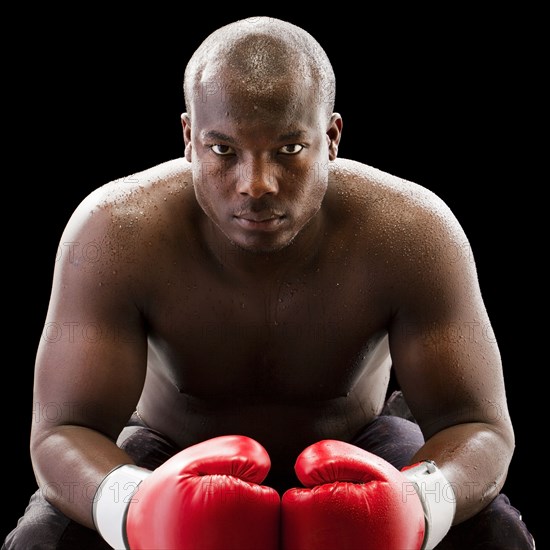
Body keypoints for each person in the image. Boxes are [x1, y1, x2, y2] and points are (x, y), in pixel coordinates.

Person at [3, 15, 535, 550]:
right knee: (42, 540)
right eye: (223, 150)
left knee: (499, 535)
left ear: (331, 138)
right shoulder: (114, 233)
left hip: (358, 445)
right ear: (189, 138)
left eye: (288, 150)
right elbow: (63, 430)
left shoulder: (413, 232)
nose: (256, 184)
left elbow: (479, 425)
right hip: (170, 449)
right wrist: (136, 509)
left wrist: (419, 507)